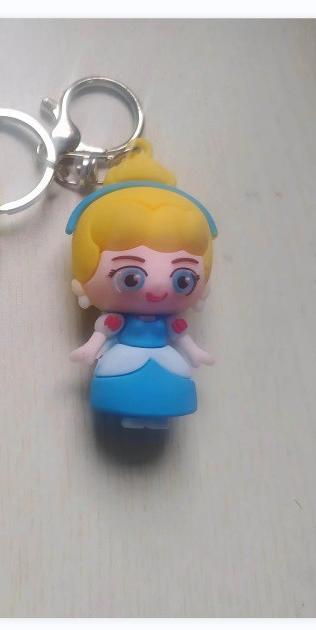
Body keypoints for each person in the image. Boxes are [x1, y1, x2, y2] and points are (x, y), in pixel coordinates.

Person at [67, 141, 218, 429]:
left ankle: (158, 416)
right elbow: (101, 336)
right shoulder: (115, 321)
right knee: (126, 379)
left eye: (182, 279)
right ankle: (134, 414)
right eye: (130, 277)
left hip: (162, 356)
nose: (158, 285)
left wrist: (195, 353)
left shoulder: (170, 322)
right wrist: (90, 349)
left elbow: (182, 338)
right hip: (125, 356)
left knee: (171, 379)